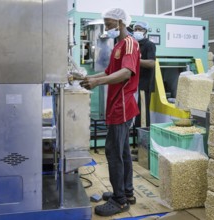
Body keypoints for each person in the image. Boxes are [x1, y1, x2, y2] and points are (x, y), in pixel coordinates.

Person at [80, 8, 140, 217]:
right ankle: (127, 192)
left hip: (122, 107)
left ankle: (119, 200)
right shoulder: (119, 45)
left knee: (113, 152)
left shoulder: (131, 43)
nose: (106, 28)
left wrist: (98, 82)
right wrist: (88, 78)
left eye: (108, 24)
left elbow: (125, 73)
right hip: (116, 105)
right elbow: (108, 72)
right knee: (123, 152)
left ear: (121, 22)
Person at [133, 21, 156, 128]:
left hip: (144, 84)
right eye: (135, 29)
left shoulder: (149, 45)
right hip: (133, 84)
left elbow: (151, 63)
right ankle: (134, 134)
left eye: (140, 29)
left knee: (142, 112)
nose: (137, 31)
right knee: (134, 111)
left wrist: (135, 60)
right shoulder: (133, 44)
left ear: (145, 31)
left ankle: (142, 138)